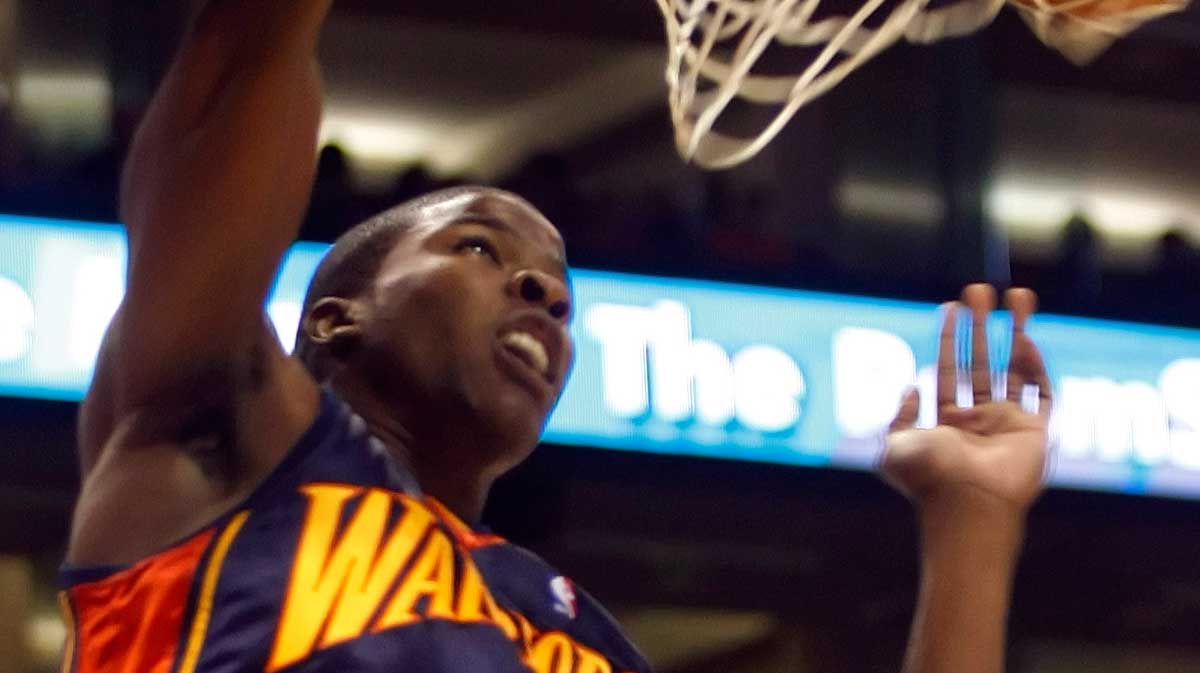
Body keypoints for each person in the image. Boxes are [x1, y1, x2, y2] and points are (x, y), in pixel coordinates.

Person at [60, 2, 1053, 672]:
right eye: (482, 248)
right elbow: (239, 68)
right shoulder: (219, 443)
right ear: (335, 317)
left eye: (561, 297)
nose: (539, 287)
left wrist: (970, 524)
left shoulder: (573, 631)